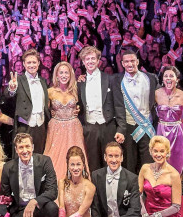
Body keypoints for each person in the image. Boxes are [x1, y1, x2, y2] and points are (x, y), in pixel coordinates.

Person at [137, 135, 182, 217]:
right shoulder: (145, 168)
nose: (158, 154)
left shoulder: (174, 174)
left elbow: (176, 207)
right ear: (151, 152)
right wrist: (145, 214)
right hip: (147, 211)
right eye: (155, 151)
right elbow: (138, 194)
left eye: (162, 151)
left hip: (168, 215)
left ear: (167, 153)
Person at [114, 48, 160, 172]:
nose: (130, 64)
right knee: (130, 163)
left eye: (132, 61)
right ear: (122, 63)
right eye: (126, 61)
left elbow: (162, 95)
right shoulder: (117, 81)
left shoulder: (151, 78)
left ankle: (147, 190)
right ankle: (132, 190)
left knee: (148, 163)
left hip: (147, 126)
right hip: (128, 127)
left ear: (138, 61)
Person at [77, 46, 119, 174]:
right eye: (87, 59)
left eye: (93, 58)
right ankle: (95, 192)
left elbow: (118, 104)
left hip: (107, 125)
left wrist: (120, 128)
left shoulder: (110, 79)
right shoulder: (80, 82)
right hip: (89, 127)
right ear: (83, 62)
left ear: (98, 61)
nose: (90, 61)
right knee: (93, 163)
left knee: (110, 161)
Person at [43, 61, 85, 179]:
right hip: (56, 129)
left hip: (74, 129)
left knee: (76, 157)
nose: (64, 75)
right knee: (55, 158)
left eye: (66, 72)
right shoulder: (50, 91)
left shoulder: (76, 89)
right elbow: (45, 111)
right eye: (61, 72)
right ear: (56, 75)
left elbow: (83, 106)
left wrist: (79, 109)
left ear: (71, 74)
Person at [7, 49, 51, 153]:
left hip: (40, 125)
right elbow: (7, 96)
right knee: (23, 157)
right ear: (24, 64)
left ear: (39, 63)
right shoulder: (18, 80)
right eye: (29, 62)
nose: (31, 65)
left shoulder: (43, 81)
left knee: (39, 156)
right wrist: (12, 89)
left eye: (34, 62)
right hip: (25, 125)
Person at [154, 65, 183, 173]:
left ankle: (177, 187)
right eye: (166, 76)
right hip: (161, 131)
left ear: (177, 79)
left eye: (171, 76)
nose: (168, 78)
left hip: (178, 134)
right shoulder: (156, 94)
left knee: (177, 163)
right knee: (161, 160)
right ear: (163, 79)